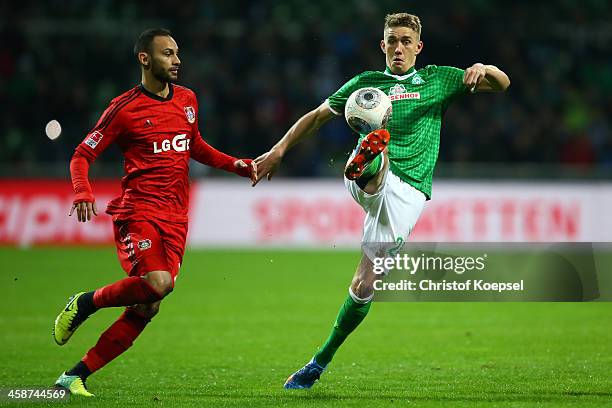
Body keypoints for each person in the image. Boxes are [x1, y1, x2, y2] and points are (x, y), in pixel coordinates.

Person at [254, 13, 510, 389]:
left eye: (406, 40)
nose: (399, 47)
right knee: (376, 155)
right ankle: (369, 159)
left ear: (418, 47)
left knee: (364, 285)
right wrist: (279, 149)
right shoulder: (366, 86)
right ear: (383, 45)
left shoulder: (439, 79)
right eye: (392, 40)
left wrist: (483, 67)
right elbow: (318, 116)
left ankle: (316, 364)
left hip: (409, 194)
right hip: (370, 179)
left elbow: (502, 85)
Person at [52, 28, 256, 397]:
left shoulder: (188, 99)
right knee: (159, 283)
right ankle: (86, 302)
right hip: (139, 210)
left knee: (149, 306)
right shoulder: (124, 108)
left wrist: (237, 165)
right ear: (144, 59)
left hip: (177, 217)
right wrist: (83, 190)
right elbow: (82, 154)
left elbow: (194, 146)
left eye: (177, 53)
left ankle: (75, 375)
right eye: (167, 53)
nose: (177, 60)